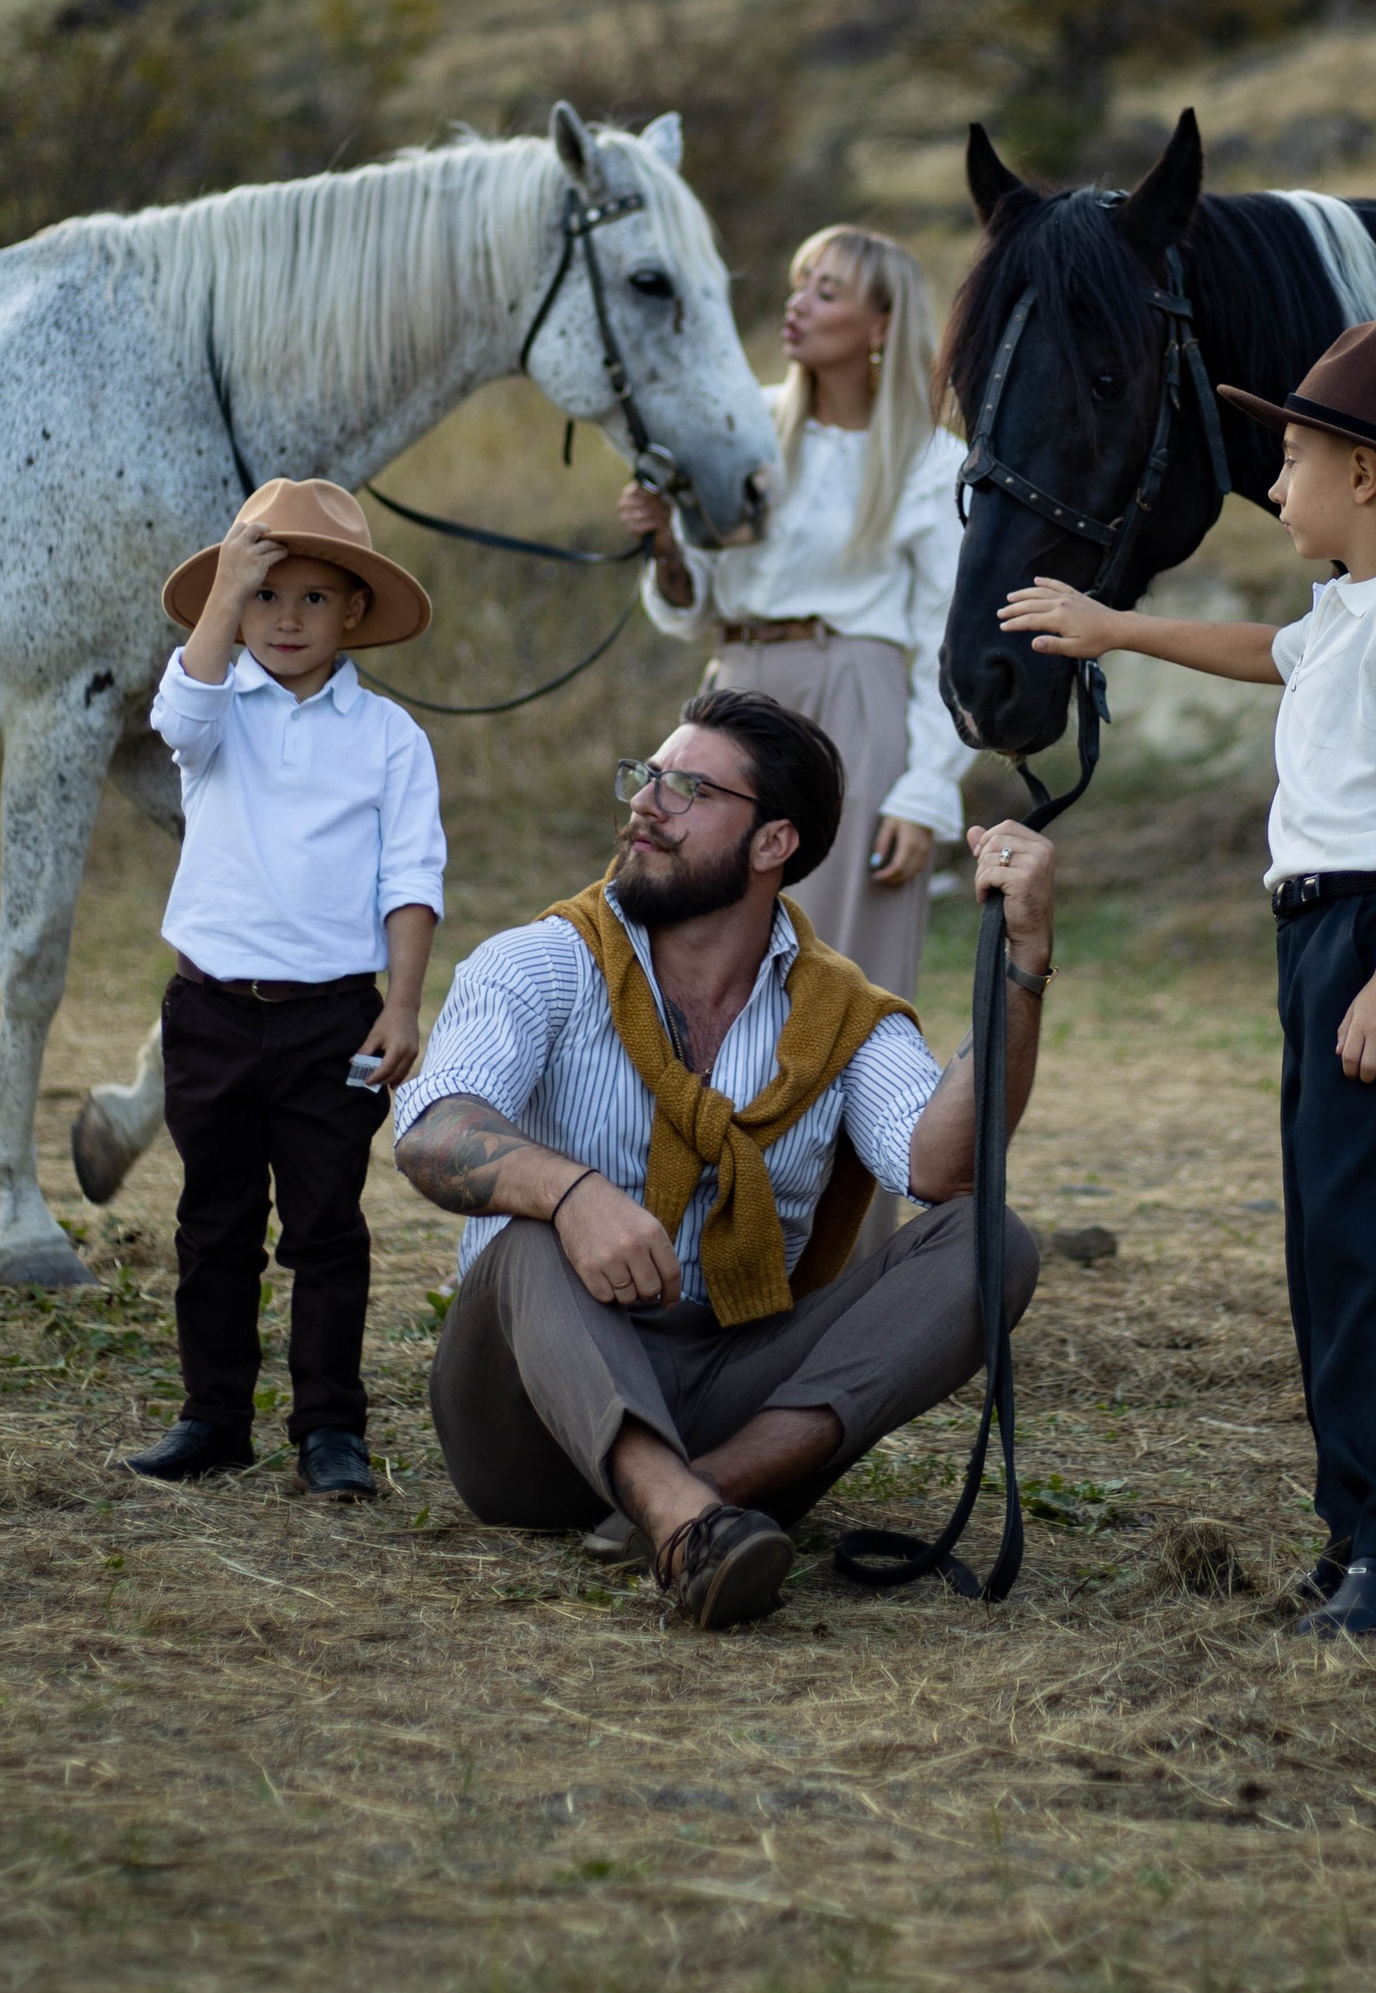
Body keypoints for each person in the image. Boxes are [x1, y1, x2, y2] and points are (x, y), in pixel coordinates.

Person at [999, 321, 1376, 1641]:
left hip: (1373, 934)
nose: (1273, 484)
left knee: (1365, 1248)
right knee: (1326, 1243)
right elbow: (1261, 652)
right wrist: (1108, 626)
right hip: (1320, 936)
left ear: (1365, 473)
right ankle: (1359, 1531)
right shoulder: (1354, 608)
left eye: (1289, 460)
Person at [392, 685, 1052, 1631]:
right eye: (648, 777)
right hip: (528, 1415)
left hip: (727, 1390)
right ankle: (685, 1519)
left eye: (688, 789)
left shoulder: (837, 1014)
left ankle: (693, 1496)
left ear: (773, 842)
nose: (646, 804)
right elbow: (430, 1130)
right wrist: (574, 1194)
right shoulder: (542, 961)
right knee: (534, 1235)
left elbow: (943, 1171)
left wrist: (1021, 963)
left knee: (993, 1238)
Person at [125, 478, 446, 1503]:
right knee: (214, 1222)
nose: (287, 619)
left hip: (332, 1019)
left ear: (354, 611)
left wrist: (400, 1005)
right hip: (213, 1010)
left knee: (325, 1227)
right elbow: (177, 712)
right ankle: (213, 1416)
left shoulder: (389, 737)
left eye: (313, 597)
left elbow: (410, 878)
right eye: (267, 596)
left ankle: (329, 1428)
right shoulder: (215, 713)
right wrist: (225, 586)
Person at [621, 225, 969, 1018]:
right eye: (798, 281)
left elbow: (944, 639)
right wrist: (665, 545)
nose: (797, 303)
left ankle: (843, 1134)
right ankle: (689, 1118)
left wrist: (923, 791)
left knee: (845, 949)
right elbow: (695, 600)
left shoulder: (928, 462)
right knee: (693, 917)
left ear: (880, 325)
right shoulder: (743, 429)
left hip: (857, 694)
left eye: (827, 290)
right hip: (733, 693)